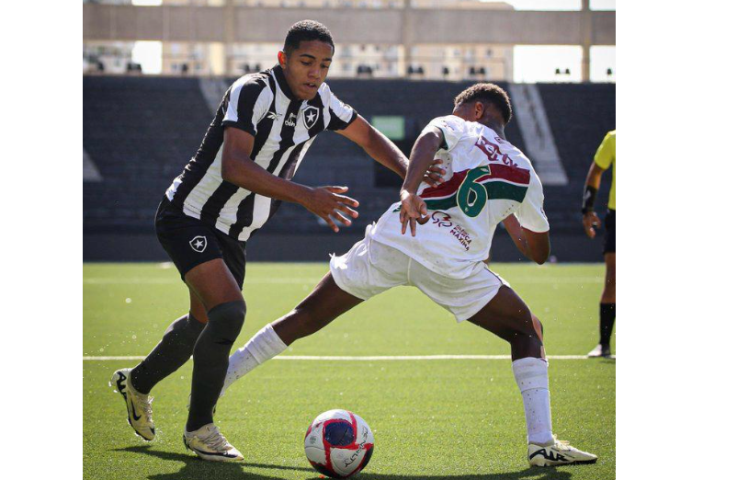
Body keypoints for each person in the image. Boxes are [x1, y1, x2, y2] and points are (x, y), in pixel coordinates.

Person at [109, 20, 443, 461]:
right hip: (188, 215)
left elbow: (366, 134)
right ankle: (200, 428)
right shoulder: (252, 90)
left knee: (201, 324)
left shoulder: (321, 102)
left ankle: (137, 382)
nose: (315, 73)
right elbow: (234, 166)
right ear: (283, 59)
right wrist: (308, 197)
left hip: (235, 232)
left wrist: (408, 176)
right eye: (306, 62)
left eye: (324, 65)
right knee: (228, 314)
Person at [220, 83, 598, 467]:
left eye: (460, 107)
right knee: (527, 330)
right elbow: (538, 252)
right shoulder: (524, 172)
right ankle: (541, 442)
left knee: (306, 316)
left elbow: (429, 137)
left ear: (479, 109)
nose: (455, 111)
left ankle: (212, 389)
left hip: (399, 235)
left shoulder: (457, 125)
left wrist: (407, 191)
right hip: (452, 263)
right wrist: (509, 217)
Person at [581, 130, 616, 358]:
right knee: (613, 278)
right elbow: (595, 172)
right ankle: (604, 344)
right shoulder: (614, 138)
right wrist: (588, 208)